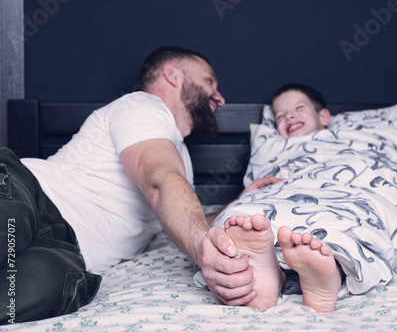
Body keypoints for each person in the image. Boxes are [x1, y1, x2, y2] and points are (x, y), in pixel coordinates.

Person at [0, 46, 258, 325]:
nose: (219, 97)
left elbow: (181, 214)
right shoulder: (142, 106)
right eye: (209, 81)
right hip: (30, 195)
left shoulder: (179, 162)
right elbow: (159, 183)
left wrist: (238, 201)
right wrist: (202, 250)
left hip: (66, 253)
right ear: (172, 74)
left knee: (35, 292)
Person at [202, 83, 345, 313]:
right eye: (280, 115)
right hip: (280, 192)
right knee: (246, 214)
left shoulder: (348, 141)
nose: (289, 116)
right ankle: (268, 271)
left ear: (324, 116)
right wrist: (245, 196)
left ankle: (329, 275)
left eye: (299, 108)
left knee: (340, 223)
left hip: (334, 192)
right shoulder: (275, 150)